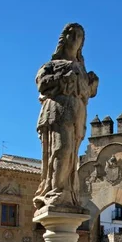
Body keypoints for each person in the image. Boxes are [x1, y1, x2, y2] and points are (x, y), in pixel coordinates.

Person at [33, 23, 99, 211]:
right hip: (57, 111)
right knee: (61, 149)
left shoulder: (83, 70)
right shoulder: (50, 66)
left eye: (79, 36)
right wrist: (64, 77)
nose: (75, 38)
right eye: (71, 34)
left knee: (71, 155)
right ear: (64, 38)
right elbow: (42, 84)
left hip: (77, 114)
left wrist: (91, 85)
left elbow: (87, 93)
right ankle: (55, 191)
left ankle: (68, 193)